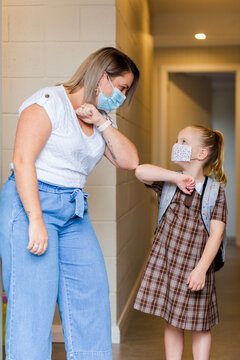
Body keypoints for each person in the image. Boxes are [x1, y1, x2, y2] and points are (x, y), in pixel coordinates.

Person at [0, 47, 139, 360]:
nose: (121, 96)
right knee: (33, 305)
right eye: (122, 88)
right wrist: (35, 219)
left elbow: (130, 161)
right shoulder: (48, 102)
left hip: (74, 212)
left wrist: (101, 123)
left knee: (90, 297)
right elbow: (22, 161)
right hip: (32, 205)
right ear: (103, 76)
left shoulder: (99, 117)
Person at [134, 125, 227, 360]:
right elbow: (140, 171)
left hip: (196, 267)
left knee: (200, 325)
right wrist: (175, 177)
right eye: (177, 140)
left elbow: (216, 235)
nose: (177, 145)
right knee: (172, 322)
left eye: (184, 142)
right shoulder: (168, 182)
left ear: (202, 154)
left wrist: (202, 269)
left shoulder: (215, 191)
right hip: (169, 265)